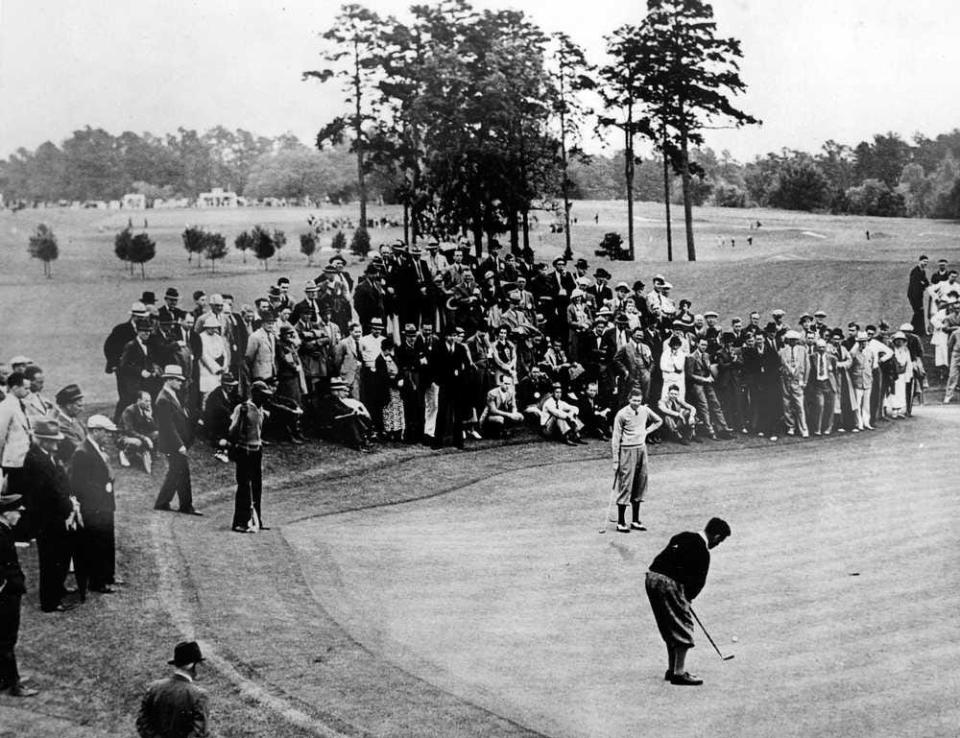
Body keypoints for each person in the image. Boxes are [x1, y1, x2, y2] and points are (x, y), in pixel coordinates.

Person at [645, 517, 731, 686]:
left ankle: (671, 669)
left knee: (670, 624)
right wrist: (686, 600)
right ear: (716, 536)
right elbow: (697, 583)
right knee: (683, 625)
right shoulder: (703, 552)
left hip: (651, 578)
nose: (718, 545)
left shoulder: (683, 536)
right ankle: (679, 673)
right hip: (669, 583)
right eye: (720, 541)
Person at [22, 418, 76, 612]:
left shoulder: (47, 456)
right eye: (52, 440)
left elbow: (60, 481)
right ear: (43, 441)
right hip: (47, 519)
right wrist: (68, 504)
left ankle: (57, 590)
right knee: (50, 559)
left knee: (60, 555)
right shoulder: (36, 460)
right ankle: (50, 601)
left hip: (54, 516)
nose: (57, 443)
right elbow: (50, 491)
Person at [70, 415, 119, 595]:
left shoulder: (96, 449)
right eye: (105, 432)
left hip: (104, 506)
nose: (108, 435)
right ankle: (97, 581)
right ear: (96, 431)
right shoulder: (82, 452)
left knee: (105, 541)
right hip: (94, 507)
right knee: (96, 544)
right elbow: (79, 484)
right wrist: (103, 489)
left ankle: (106, 576)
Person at [0, 491, 37, 697]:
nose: (20, 515)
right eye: (17, 512)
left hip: (8, 591)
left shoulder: (4, 529)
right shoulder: (1, 532)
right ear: (6, 514)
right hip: (6, 595)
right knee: (7, 638)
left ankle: (5, 678)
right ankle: (14, 684)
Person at [610, 388, 662, 532]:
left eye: (639, 401)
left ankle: (635, 520)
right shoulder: (621, 414)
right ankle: (621, 522)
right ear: (629, 399)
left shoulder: (644, 410)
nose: (636, 403)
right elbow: (615, 438)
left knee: (641, 482)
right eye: (634, 400)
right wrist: (615, 460)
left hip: (641, 449)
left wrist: (646, 431)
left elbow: (658, 421)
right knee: (626, 484)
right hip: (627, 450)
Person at [153, 366, 202, 516]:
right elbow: (168, 426)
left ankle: (163, 502)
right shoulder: (163, 399)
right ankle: (185, 506)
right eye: (178, 380)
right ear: (169, 380)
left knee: (175, 472)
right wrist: (179, 445)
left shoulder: (170, 395)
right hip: (173, 444)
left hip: (175, 443)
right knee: (182, 472)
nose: (181, 383)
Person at [137, 641, 209, 738]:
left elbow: (142, 723)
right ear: (191, 665)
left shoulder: (153, 688)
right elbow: (198, 733)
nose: (201, 667)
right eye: (199, 663)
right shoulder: (199, 695)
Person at [228, 383, 269, 533]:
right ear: (254, 394)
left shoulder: (261, 409)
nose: (265, 398)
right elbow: (232, 429)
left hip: (256, 450)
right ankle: (239, 521)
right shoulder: (243, 408)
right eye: (263, 395)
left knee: (257, 485)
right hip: (244, 450)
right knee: (244, 486)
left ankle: (255, 520)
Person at [120, 391, 159, 472]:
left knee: (157, 434)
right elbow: (129, 431)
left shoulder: (146, 410)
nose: (148, 403)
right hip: (125, 436)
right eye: (146, 401)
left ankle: (148, 452)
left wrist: (149, 418)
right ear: (138, 400)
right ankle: (124, 454)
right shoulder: (129, 411)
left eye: (150, 401)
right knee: (137, 442)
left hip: (139, 434)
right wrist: (145, 438)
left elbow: (155, 428)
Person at [479, 373, 524, 438]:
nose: (507, 386)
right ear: (500, 383)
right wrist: (509, 415)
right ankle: (490, 432)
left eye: (509, 384)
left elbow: (514, 406)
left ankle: (507, 430)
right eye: (505, 383)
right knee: (500, 419)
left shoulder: (511, 392)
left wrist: (514, 413)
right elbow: (493, 410)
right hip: (489, 417)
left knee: (520, 416)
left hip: (504, 414)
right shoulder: (492, 393)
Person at [907, 255, 930, 335]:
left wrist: (923, 284)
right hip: (914, 295)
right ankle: (912, 329)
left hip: (919, 295)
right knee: (918, 311)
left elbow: (926, 282)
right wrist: (922, 284)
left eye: (927, 262)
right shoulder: (915, 271)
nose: (925, 263)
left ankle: (916, 330)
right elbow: (915, 286)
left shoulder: (922, 271)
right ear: (919, 261)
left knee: (919, 312)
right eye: (924, 261)